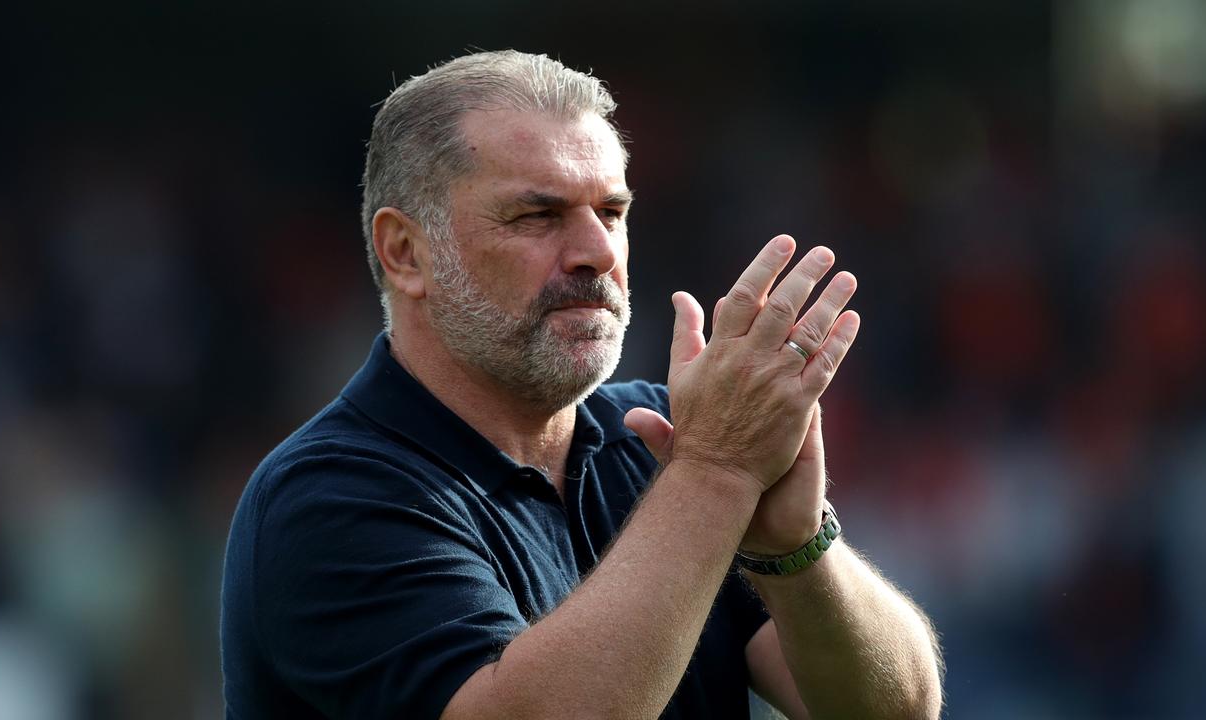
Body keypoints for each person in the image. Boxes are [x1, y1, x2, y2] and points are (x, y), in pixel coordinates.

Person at [221, 50, 942, 719]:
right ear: (406, 252)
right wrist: (718, 474)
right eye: (537, 215)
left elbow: (895, 710)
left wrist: (792, 546)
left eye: (613, 212)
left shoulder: (658, 441)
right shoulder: (330, 495)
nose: (598, 252)